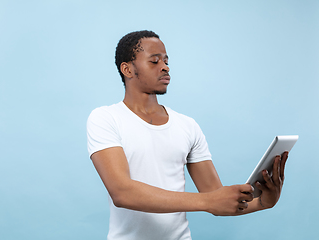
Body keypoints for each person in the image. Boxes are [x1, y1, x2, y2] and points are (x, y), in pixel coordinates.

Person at [86, 30, 288, 240]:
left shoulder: (187, 125)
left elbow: (217, 200)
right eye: (154, 61)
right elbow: (122, 192)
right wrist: (207, 201)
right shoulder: (105, 118)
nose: (165, 67)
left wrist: (264, 202)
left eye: (166, 60)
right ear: (127, 69)